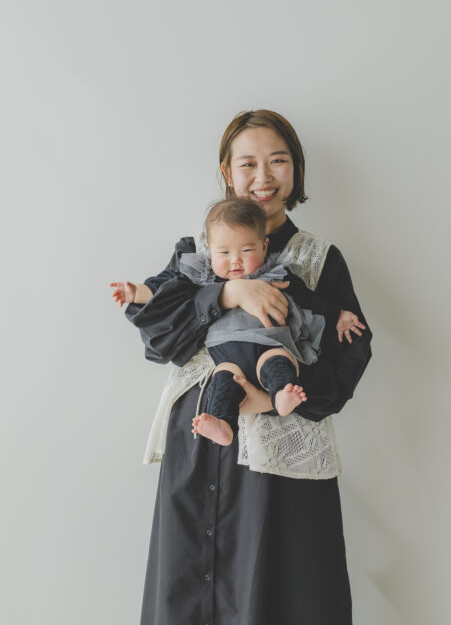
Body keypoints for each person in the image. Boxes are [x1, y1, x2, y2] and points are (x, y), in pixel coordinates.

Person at [124, 110, 373, 625]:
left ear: (296, 168)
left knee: (283, 593)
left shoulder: (317, 258)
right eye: (247, 163)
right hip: (199, 443)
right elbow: (158, 335)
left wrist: (274, 398)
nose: (263, 176)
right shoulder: (199, 254)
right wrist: (229, 292)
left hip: (282, 455)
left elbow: (349, 357)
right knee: (188, 591)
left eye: (278, 161)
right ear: (227, 170)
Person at [110, 197, 365, 446]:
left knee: (278, 361)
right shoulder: (204, 276)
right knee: (223, 378)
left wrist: (338, 315)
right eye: (224, 252)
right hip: (227, 355)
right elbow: (165, 291)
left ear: (264, 247)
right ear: (209, 250)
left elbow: (310, 300)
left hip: (270, 344)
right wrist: (136, 292)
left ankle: (281, 395)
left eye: (247, 250)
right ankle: (223, 424)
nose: (235, 260)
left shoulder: (276, 273)